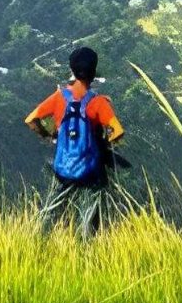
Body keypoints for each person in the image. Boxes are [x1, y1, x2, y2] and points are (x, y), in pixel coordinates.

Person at [24, 47, 124, 240]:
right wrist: (104, 143)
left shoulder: (59, 98)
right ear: (93, 72)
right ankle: (85, 251)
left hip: (63, 167)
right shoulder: (98, 102)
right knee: (88, 217)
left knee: (50, 211)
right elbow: (118, 131)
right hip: (90, 170)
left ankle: (37, 244)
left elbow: (30, 120)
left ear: (72, 70)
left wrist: (48, 137)